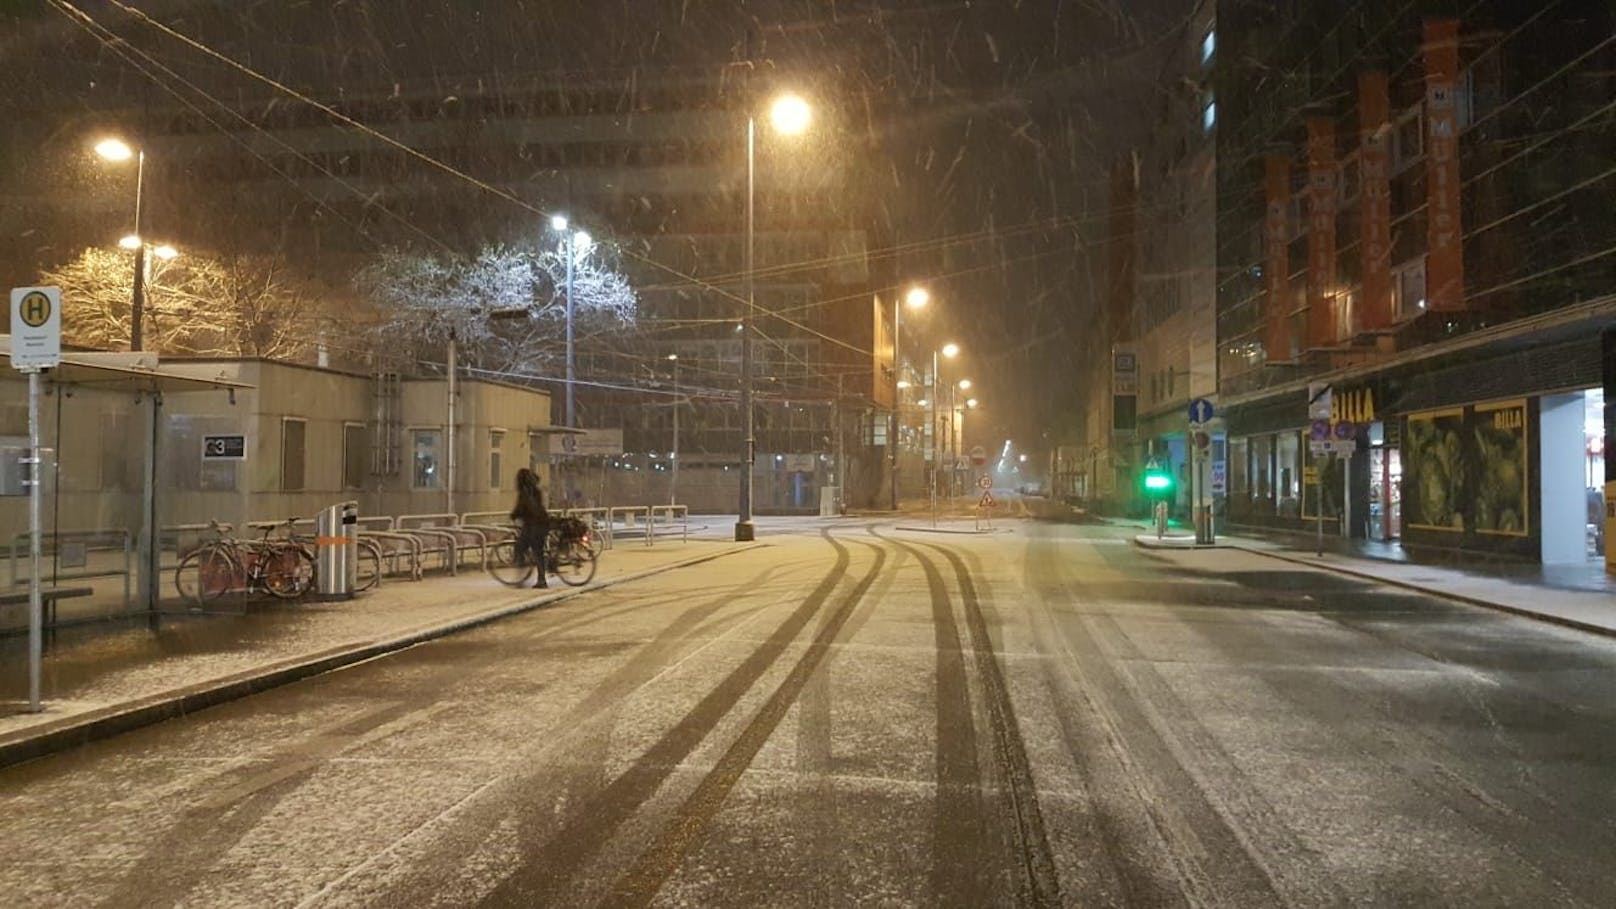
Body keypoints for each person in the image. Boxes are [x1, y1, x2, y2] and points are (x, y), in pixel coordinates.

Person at [511, 468, 550, 588]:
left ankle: (537, 579)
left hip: (533, 525)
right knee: (537, 551)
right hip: (542, 522)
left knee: (523, 547)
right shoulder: (536, 490)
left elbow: (521, 507)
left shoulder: (525, 492)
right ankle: (538, 577)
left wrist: (514, 515)